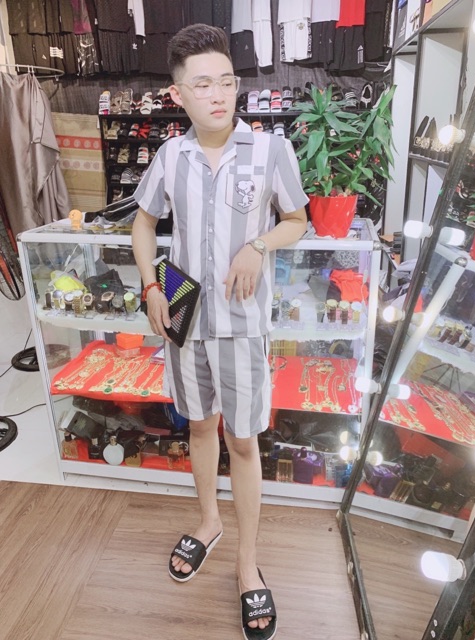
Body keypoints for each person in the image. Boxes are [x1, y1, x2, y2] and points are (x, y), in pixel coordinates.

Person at [132, 23, 308, 640]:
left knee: (244, 439)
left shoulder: (269, 150)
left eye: (226, 82)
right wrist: (151, 287)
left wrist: (259, 245)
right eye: (202, 84)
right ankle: (208, 521)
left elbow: (298, 219)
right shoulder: (169, 156)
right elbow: (143, 224)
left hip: (241, 319)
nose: (218, 94)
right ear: (178, 94)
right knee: (200, 425)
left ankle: (247, 564)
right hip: (184, 312)